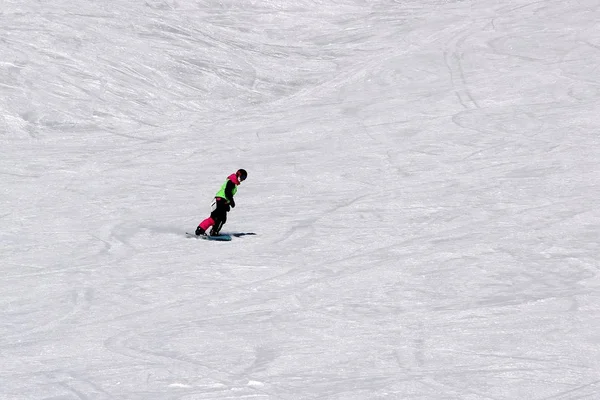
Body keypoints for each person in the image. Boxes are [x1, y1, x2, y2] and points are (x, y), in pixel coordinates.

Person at [195, 169, 247, 236]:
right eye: (242, 177)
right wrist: (231, 201)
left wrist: (228, 204)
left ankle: (206, 230)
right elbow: (227, 192)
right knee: (219, 218)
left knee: (217, 218)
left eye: (244, 178)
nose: (243, 180)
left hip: (220, 201)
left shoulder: (232, 181)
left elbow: (227, 194)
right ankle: (209, 231)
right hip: (220, 201)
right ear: (238, 175)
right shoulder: (231, 182)